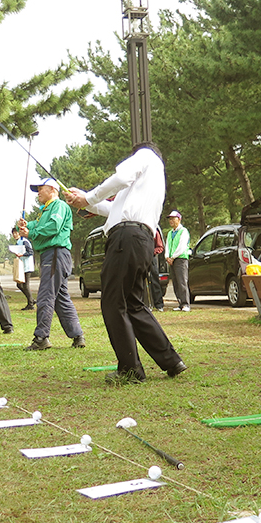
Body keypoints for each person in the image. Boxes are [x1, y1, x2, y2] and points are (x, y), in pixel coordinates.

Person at [64, 143, 186, 384]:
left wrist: (89, 195)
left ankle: (131, 370)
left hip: (126, 238)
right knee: (133, 304)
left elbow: (121, 176)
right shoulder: (146, 187)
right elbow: (113, 209)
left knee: (113, 302)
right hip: (140, 241)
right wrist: (84, 201)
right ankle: (171, 361)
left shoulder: (145, 155)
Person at [18, 178, 85, 351]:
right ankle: (78, 336)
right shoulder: (45, 210)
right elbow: (38, 224)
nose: (38, 192)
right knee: (61, 298)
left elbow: (53, 227)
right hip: (52, 255)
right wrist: (26, 226)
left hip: (56, 254)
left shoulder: (59, 206)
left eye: (41, 188)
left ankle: (41, 338)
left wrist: (31, 231)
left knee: (45, 296)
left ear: (52, 190)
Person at [165, 210, 191, 311]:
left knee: (182, 281)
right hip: (172, 259)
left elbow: (181, 246)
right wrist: (167, 256)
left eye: (173, 218)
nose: (171, 221)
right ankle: (180, 303)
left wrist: (173, 257)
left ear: (179, 219)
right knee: (175, 282)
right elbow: (167, 246)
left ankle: (186, 304)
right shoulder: (170, 232)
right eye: (170, 219)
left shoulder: (183, 231)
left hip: (181, 258)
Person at [11, 227, 35, 310]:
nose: (15, 234)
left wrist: (22, 254)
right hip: (22, 266)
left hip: (27, 266)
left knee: (25, 285)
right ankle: (31, 300)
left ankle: (31, 304)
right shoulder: (19, 242)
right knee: (19, 284)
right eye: (13, 233)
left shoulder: (24, 241)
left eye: (16, 233)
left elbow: (30, 252)